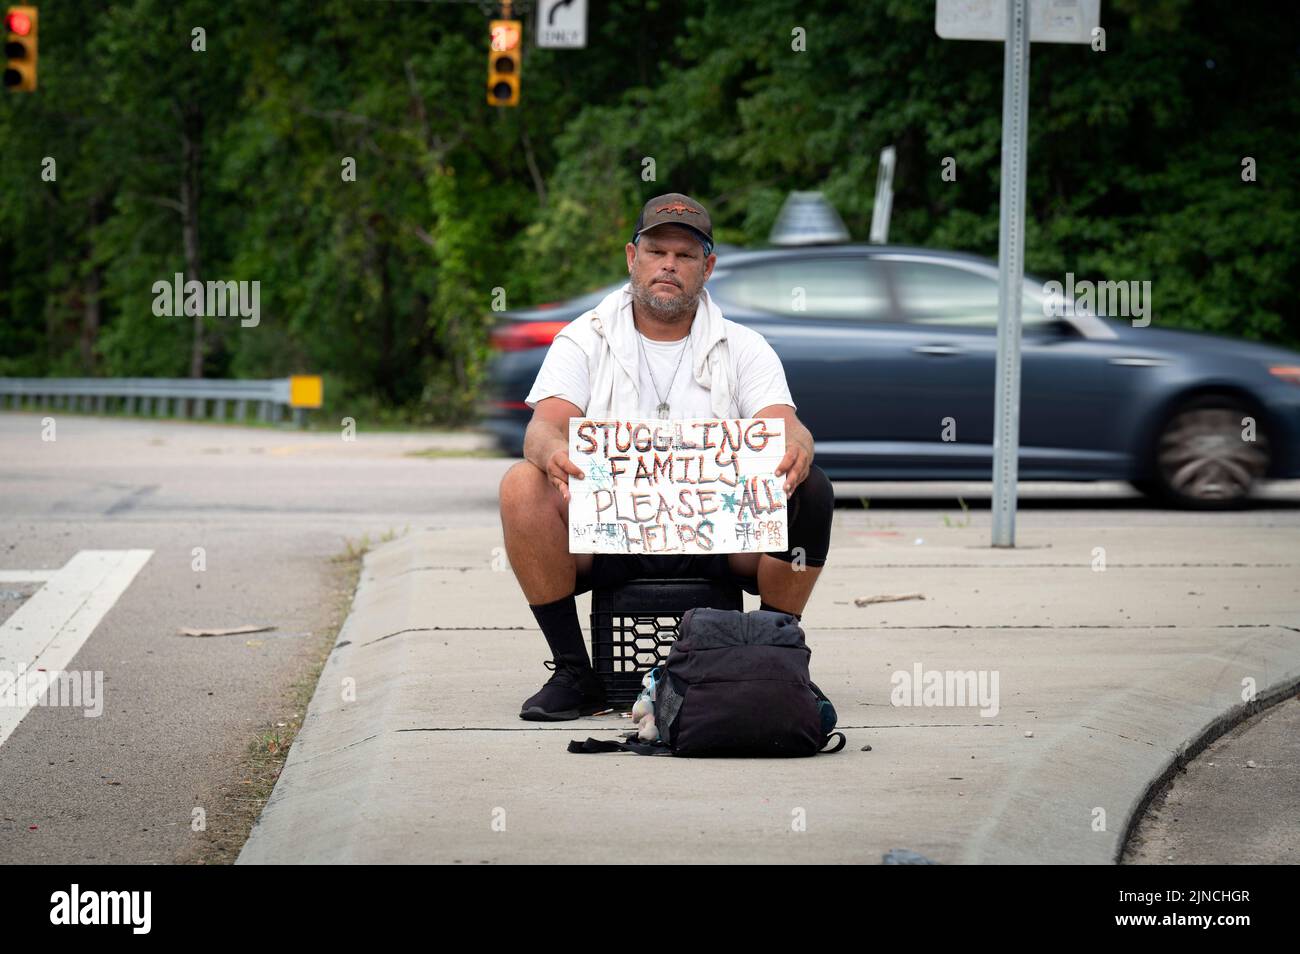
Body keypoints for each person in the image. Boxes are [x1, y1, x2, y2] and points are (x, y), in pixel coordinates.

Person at [498, 192, 834, 721]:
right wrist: (554, 451)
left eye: (685, 255)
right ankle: (572, 672)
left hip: (718, 539)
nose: (669, 266)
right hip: (609, 538)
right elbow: (542, 428)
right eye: (657, 251)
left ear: (708, 268)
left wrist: (798, 442)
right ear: (633, 258)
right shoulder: (584, 339)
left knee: (812, 488)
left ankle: (773, 655)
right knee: (521, 482)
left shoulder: (743, 345)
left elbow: (783, 425)